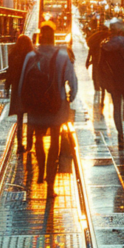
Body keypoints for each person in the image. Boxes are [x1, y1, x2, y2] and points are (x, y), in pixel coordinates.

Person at [19, 24, 77, 198]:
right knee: (54, 141)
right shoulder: (63, 56)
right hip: (56, 104)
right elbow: (72, 82)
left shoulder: (30, 56)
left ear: (39, 39)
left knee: (37, 137)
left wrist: (25, 102)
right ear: (53, 39)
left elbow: (23, 82)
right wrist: (70, 97)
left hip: (36, 105)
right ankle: (51, 184)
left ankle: (41, 170)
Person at [99, 19, 124, 149]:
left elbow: (100, 65)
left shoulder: (105, 45)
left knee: (116, 106)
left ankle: (120, 133)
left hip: (113, 80)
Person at [5, 35, 35, 154]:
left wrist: (7, 87)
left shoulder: (13, 55)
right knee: (31, 117)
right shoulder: (32, 56)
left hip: (17, 89)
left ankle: (19, 144)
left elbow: (10, 73)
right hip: (30, 89)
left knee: (20, 118)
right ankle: (29, 143)